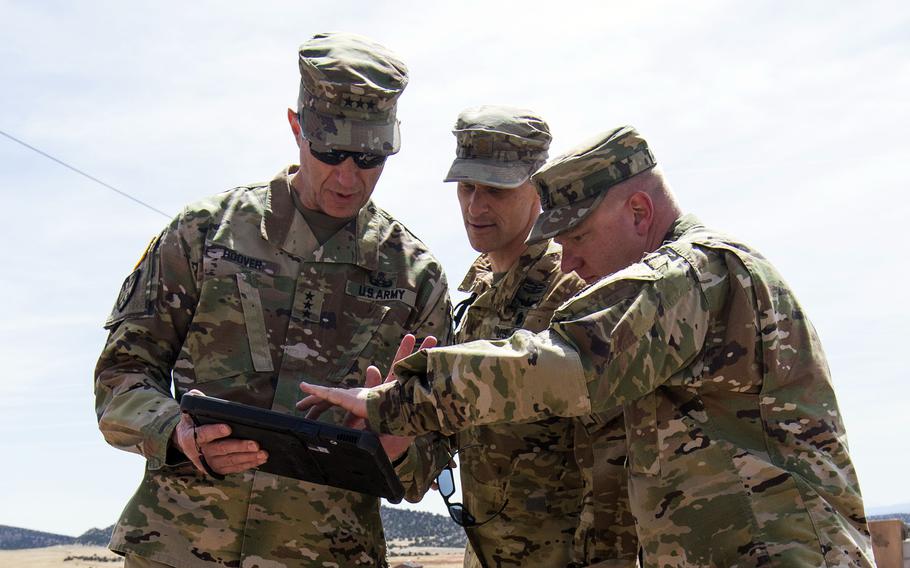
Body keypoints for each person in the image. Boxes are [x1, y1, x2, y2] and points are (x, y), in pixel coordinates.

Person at [299, 126, 876, 566]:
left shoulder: (693, 274)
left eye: (577, 238)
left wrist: (401, 398)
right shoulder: (681, 285)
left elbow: (569, 364)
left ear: (640, 211)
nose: (569, 262)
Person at [94, 32, 453, 568]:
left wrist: (399, 442)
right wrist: (177, 432)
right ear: (296, 127)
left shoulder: (415, 277)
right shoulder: (205, 235)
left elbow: (434, 451)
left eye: (371, 157)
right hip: (181, 547)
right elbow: (121, 379)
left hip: (327, 554)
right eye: (331, 151)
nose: (349, 176)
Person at [439, 105, 637, 567]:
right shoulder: (476, 297)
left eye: (495, 189)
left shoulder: (574, 292)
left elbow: (614, 463)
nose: (475, 206)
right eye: (466, 187)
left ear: (538, 186)